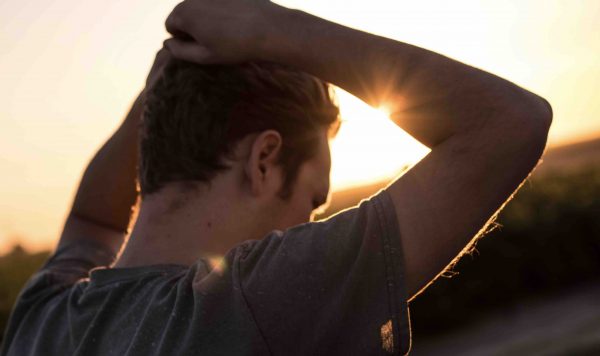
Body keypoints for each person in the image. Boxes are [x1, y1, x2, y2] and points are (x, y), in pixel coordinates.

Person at [1, 0, 552, 355]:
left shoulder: (43, 317)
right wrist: (267, 26)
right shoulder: (247, 306)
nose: (308, 224)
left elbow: (91, 218)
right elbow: (509, 125)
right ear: (264, 160)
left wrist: (158, 94)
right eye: (313, 202)